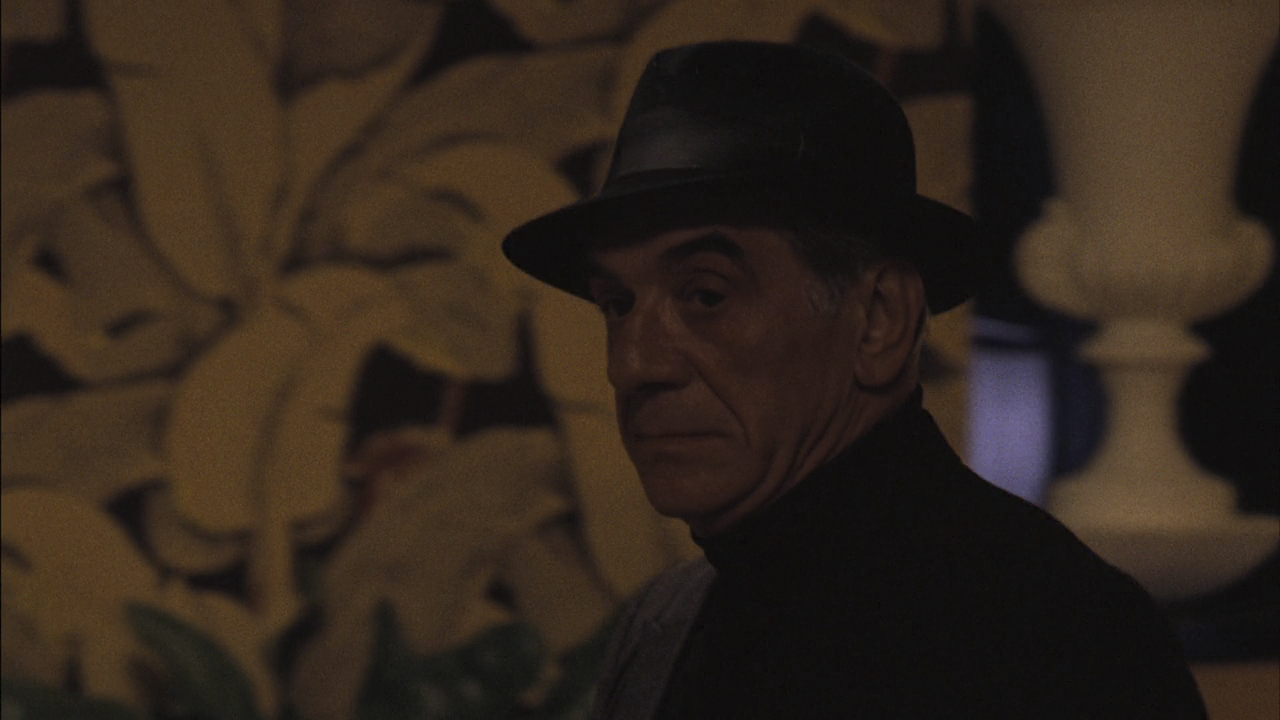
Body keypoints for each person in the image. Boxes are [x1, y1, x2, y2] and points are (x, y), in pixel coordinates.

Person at [502, 40, 1206, 719]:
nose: (633, 364)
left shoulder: (1050, 635)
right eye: (617, 305)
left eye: (706, 295)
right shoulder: (667, 629)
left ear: (879, 320)